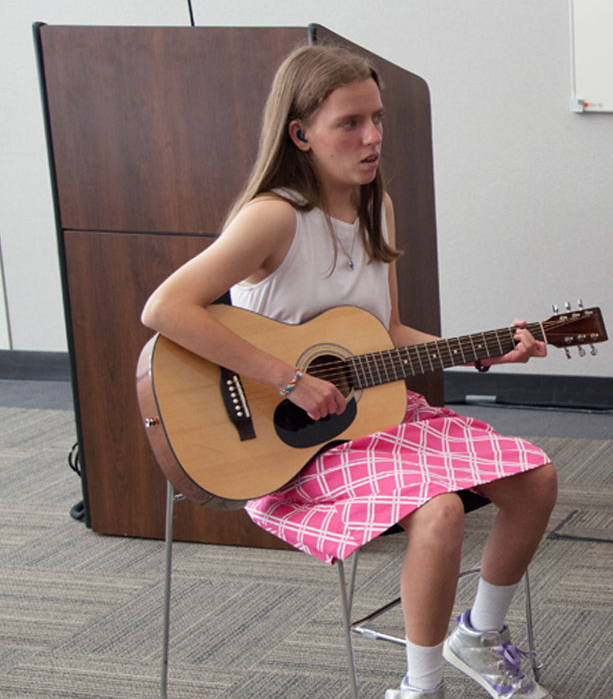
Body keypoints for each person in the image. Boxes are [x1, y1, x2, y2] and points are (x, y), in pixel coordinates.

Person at [141, 45, 557, 699]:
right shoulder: (272, 216)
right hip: (295, 443)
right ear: (301, 134)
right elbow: (165, 307)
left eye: (377, 119)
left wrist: (480, 349)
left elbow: (383, 336)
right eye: (351, 123)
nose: (373, 138)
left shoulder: (375, 208)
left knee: (536, 478)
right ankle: (421, 687)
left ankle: (477, 635)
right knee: (440, 511)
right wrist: (288, 378)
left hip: (377, 415)